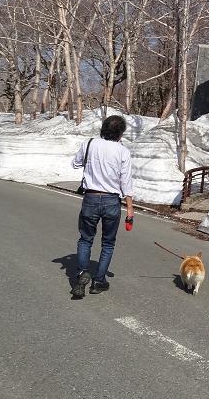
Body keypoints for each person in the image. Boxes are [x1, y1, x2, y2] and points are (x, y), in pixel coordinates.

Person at [70, 114, 134, 298]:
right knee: (108, 242)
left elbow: (75, 163)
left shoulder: (89, 143)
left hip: (90, 198)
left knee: (85, 239)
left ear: (103, 129)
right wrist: (129, 209)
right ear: (120, 134)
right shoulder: (123, 152)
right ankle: (98, 281)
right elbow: (126, 182)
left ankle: (82, 273)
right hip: (111, 201)